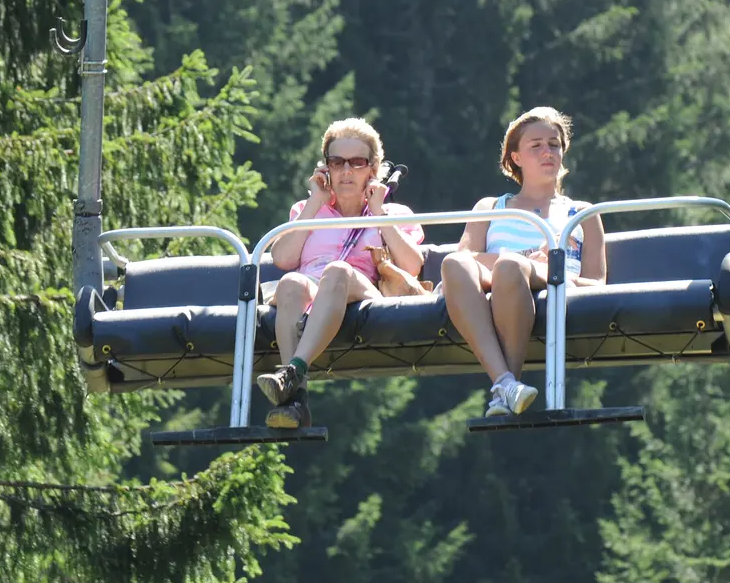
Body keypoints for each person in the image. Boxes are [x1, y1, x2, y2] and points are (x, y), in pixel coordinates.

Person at [257, 118, 426, 428]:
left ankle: (293, 369)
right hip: (311, 289)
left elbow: (412, 265)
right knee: (291, 281)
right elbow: (282, 258)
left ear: (373, 169)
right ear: (326, 169)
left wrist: (377, 213)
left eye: (357, 163)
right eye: (337, 162)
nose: (346, 171)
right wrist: (314, 202)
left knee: (337, 271)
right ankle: (296, 400)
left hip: (361, 290)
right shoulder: (307, 209)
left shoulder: (393, 214)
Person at [440, 106, 608, 418]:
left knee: (508, 267)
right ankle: (506, 386)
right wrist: (526, 257)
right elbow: (465, 257)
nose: (548, 152)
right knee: (453, 264)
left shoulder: (582, 213)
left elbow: (596, 283)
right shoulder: (491, 207)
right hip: (499, 279)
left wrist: (551, 265)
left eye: (554, 145)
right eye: (536, 146)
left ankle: (507, 382)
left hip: (555, 282)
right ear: (516, 157)